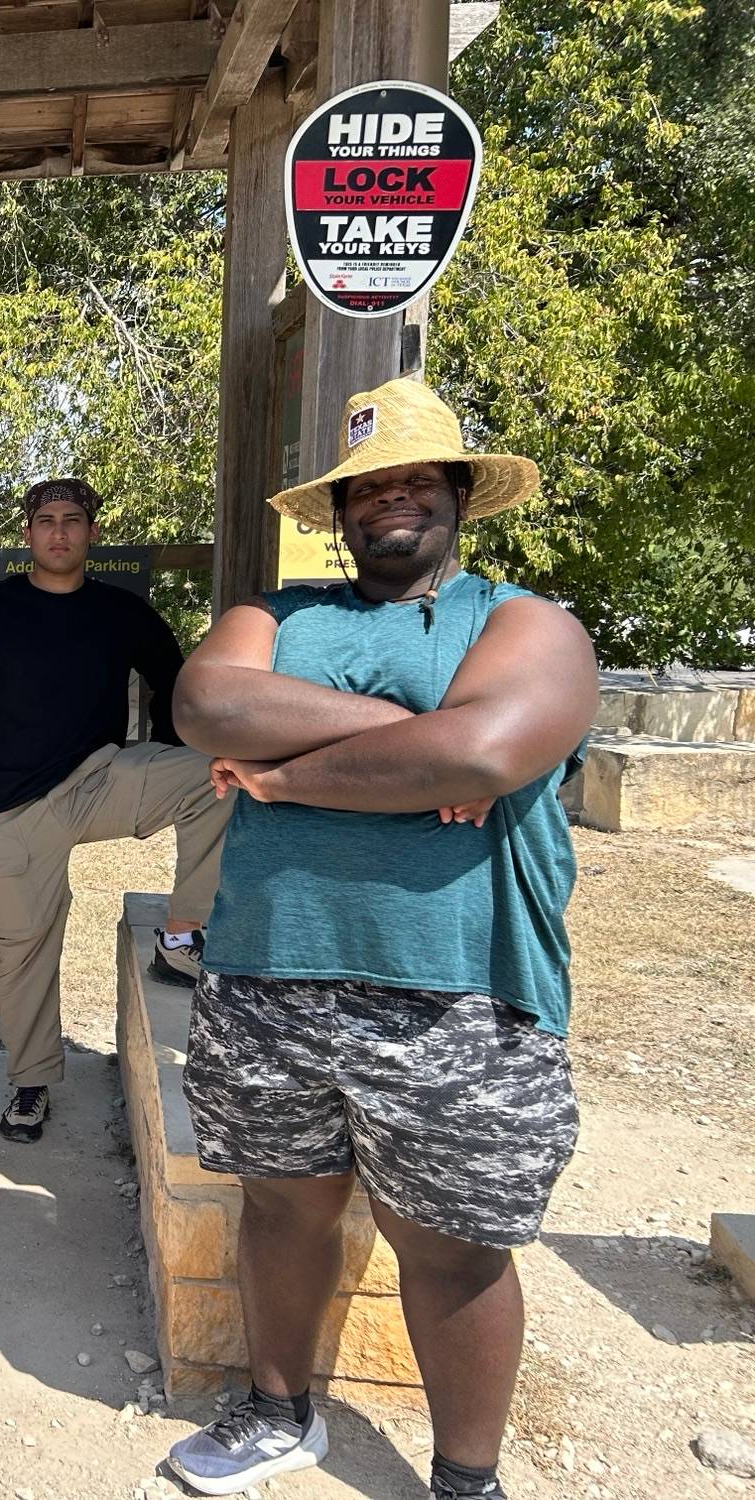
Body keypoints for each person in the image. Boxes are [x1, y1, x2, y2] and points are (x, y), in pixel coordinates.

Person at [162, 379, 597, 1500]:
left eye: (413, 477)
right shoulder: (275, 616)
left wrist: (278, 774)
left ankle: (464, 1480)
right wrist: (422, 742)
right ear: (339, 508)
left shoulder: (521, 623)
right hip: (268, 968)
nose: (388, 499)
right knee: (279, 1202)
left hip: (456, 991)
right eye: (367, 485)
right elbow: (208, 705)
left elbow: (486, 756)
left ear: (457, 493)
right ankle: (275, 1411)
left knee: (450, 1247)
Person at [0, 477, 231, 1144]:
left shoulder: (121, 612)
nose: (59, 531)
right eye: (45, 520)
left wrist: (171, 751)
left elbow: (174, 684)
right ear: (28, 534)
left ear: (92, 532)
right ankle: (31, 1082)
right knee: (23, 954)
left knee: (218, 777)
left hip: (97, 778)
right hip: (9, 807)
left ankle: (182, 937)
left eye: (72, 520)